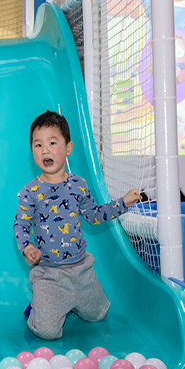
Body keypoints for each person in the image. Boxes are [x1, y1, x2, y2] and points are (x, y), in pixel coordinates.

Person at [13, 110, 142, 340]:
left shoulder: (78, 185)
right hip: (49, 274)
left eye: (52, 143)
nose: (45, 150)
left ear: (68, 148)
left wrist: (123, 202)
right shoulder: (30, 192)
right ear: (32, 150)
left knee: (99, 314)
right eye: (38, 145)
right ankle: (39, 307)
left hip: (81, 270)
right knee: (48, 332)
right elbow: (20, 225)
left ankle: (69, 304)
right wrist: (27, 247)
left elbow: (94, 215)